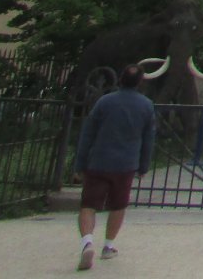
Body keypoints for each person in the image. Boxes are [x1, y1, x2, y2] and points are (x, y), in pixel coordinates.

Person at [72, 63, 157, 271]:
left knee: (88, 205)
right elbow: (148, 139)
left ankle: (87, 242)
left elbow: (88, 134)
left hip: (99, 161)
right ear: (140, 82)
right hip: (126, 164)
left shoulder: (105, 102)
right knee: (118, 206)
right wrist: (143, 166)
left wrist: (80, 163)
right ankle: (108, 246)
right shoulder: (146, 105)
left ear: (120, 80)